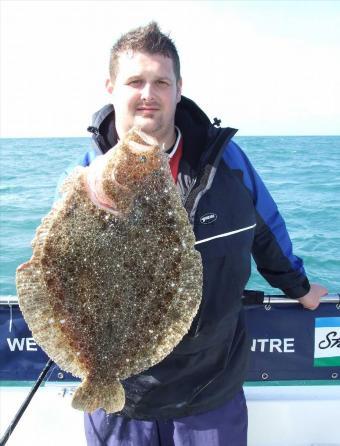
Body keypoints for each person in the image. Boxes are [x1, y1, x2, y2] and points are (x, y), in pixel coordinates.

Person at [66, 22, 327, 446]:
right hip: (121, 396)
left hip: (210, 389)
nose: (148, 94)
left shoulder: (224, 163)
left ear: (178, 88)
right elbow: (55, 275)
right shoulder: (83, 178)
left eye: (160, 82)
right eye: (135, 81)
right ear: (111, 87)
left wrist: (297, 286)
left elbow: (266, 229)